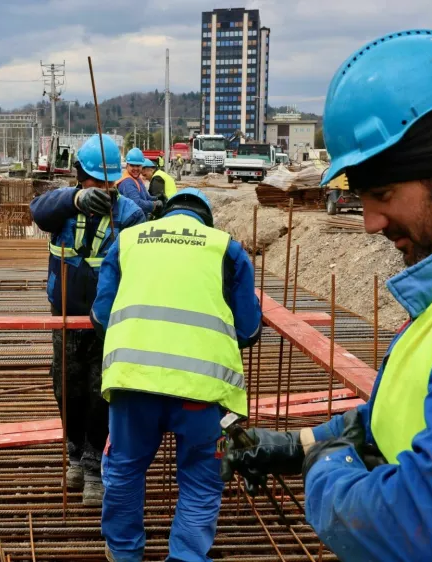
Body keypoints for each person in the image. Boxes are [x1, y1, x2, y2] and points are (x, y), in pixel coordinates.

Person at [221, 30, 432, 561]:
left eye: (382, 194)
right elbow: (414, 409)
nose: (371, 222)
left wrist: (326, 469)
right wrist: (302, 444)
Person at [92, 188, 261, 562]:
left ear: (166, 212)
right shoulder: (226, 249)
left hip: (134, 381)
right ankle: (186, 557)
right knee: (202, 480)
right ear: (206, 219)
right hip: (203, 391)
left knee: (124, 469)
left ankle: (123, 552)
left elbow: (101, 316)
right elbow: (249, 329)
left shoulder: (129, 240)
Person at [30, 134, 147, 506]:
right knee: (66, 386)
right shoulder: (63, 207)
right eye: (92, 181)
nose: (98, 188)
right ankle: (75, 453)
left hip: (107, 321)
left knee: (101, 391)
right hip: (64, 315)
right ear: (80, 175)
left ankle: (95, 464)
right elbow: (38, 211)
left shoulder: (128, 214)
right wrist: (75, 200)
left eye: (104, 182)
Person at [116, 147, 161, 217]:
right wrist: (154, 204)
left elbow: (146, 197)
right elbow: (137, 203)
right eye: (132, 165)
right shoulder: (127, 182)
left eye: (138, 165)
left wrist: (157, 198)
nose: (135, 168)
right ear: (127, 165)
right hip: (132, 221)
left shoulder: (137, 178)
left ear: (142, 166)